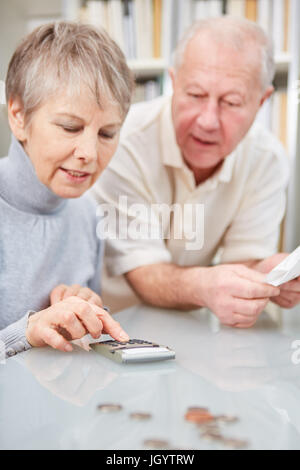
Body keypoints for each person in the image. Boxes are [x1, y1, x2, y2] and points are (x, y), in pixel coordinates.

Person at [92, 16, 300, 328]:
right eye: (195, 95)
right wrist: (207, 287)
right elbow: (145, 274)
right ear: (173, 83)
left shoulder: (267, 160)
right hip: (110, 327)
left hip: (192, 330)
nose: (208, 121)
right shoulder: (122, 142)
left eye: (231, 102)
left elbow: (239, 266)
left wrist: (266, 273)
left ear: (262, 102)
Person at [0, 22, 134, 358]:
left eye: (107, 133)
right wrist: (27, 331)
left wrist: (82, 316)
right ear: (17, 116)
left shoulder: (87, 213)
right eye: (70, 127)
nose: (89, 152)